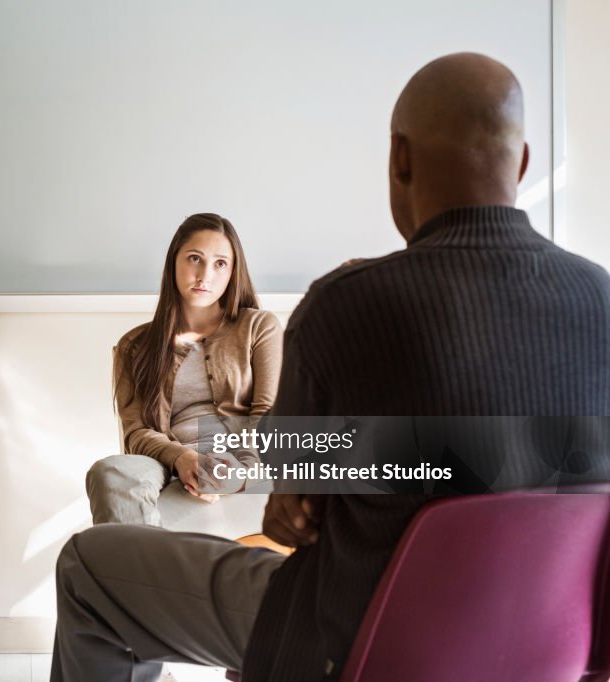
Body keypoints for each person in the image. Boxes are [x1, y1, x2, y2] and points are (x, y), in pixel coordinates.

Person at [50, 52, 610, 682]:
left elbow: (285, 512)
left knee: (86, 566)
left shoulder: (348, 304)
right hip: (549, 643)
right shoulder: (602, 298)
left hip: (350, 636)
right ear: (525, 161)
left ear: (399, 158)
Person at [86, 212, 283, 525]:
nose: (205, 274)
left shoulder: (259, 327)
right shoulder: (134, 346)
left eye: (220, 263)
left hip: (241, 458)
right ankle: (138, 569)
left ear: (233, 272)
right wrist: (182, 458)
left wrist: (241, 470)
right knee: (108, 472)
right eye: (195, 258)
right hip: (165, 463)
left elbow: (269, 413)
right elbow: (136, 432)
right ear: (173, 263)